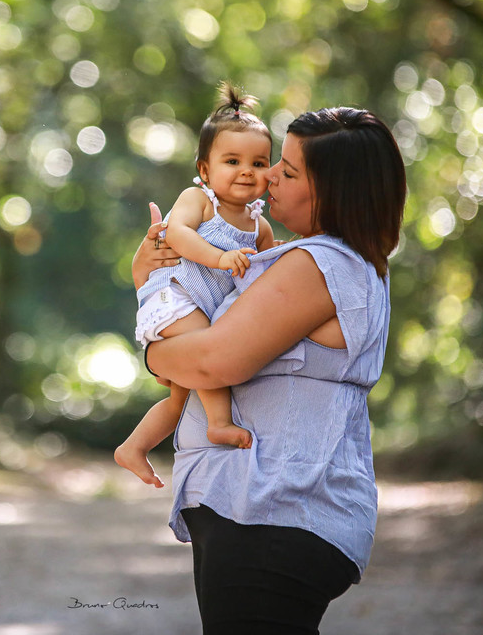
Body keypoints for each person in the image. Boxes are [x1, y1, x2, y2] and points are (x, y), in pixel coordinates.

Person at [130, 106, 406, 634]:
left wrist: (154, 352)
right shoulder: (336, 259)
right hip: (260, 506)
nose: (269, 174)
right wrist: (155, 281)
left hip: (273, 510)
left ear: (335, 192)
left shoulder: (318, 264)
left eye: (290, 170)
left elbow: (213, 359)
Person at [114, 82, 276, 490]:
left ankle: (133, 447)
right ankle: (218, 424)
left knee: (179, 398)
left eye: (259, 163)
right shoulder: (200, 201)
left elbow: (269, 271)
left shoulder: (260, 226)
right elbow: (177, 234)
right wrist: (219, 257)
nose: (246, 171)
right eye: (232, 161)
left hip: (200, 309)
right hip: (175, 297)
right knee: (210, 353)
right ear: (205, 170)